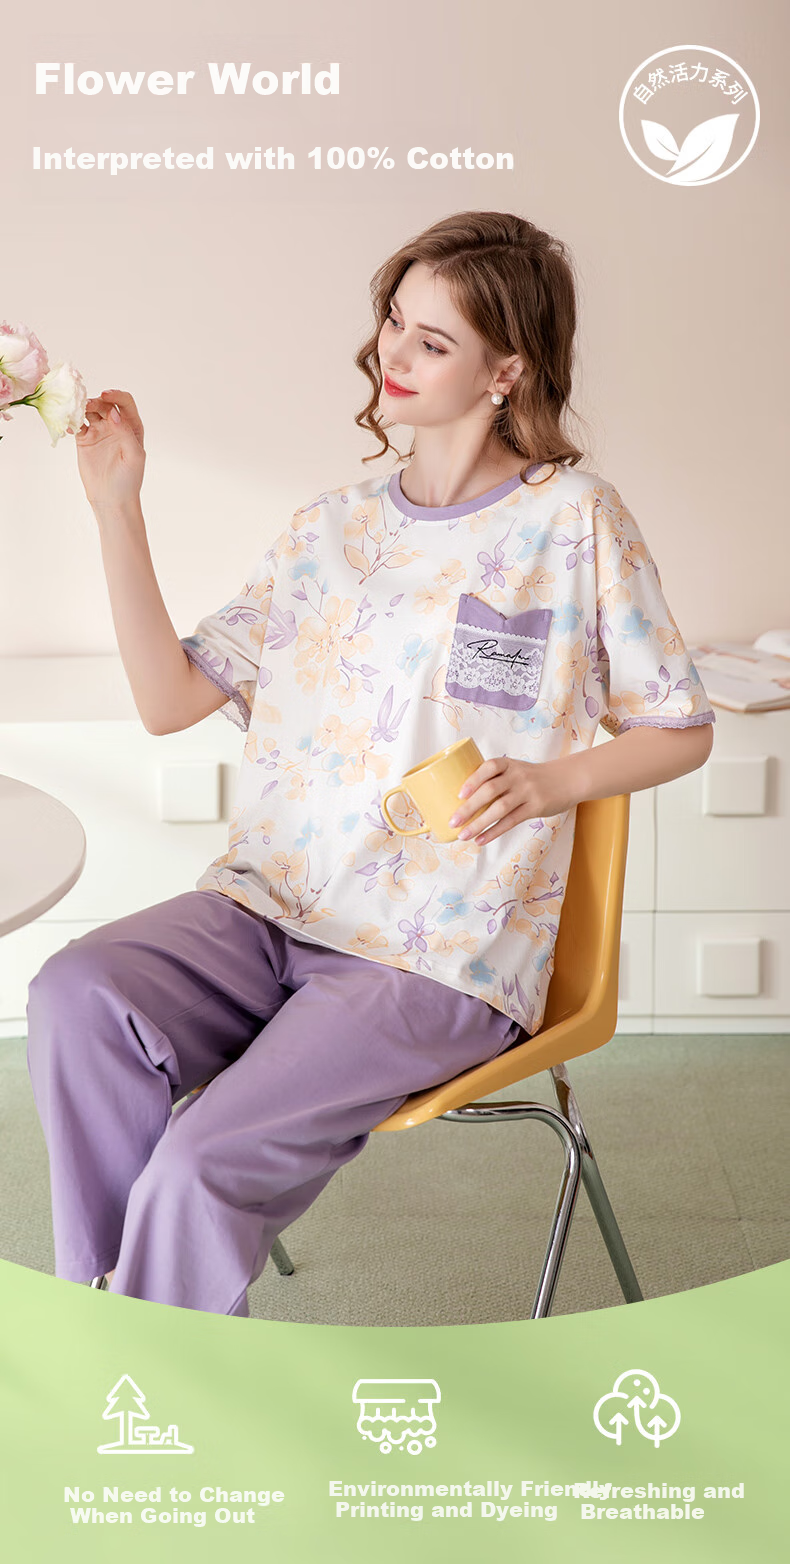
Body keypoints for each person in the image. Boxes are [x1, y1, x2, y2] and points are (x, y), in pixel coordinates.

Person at [26, 210, 715, 1316]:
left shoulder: (574, 523)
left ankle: (141, 1372)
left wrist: (551, 783)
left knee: (199, 1162)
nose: (394, 353)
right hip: (271, 908)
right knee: (76, 992)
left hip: (434, 950)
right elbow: (168, 701)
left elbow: (680, 725)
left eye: (432, 341)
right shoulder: (327, 528)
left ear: (506, 369)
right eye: (395, 322)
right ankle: (113, 1319)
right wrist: (118, 507)